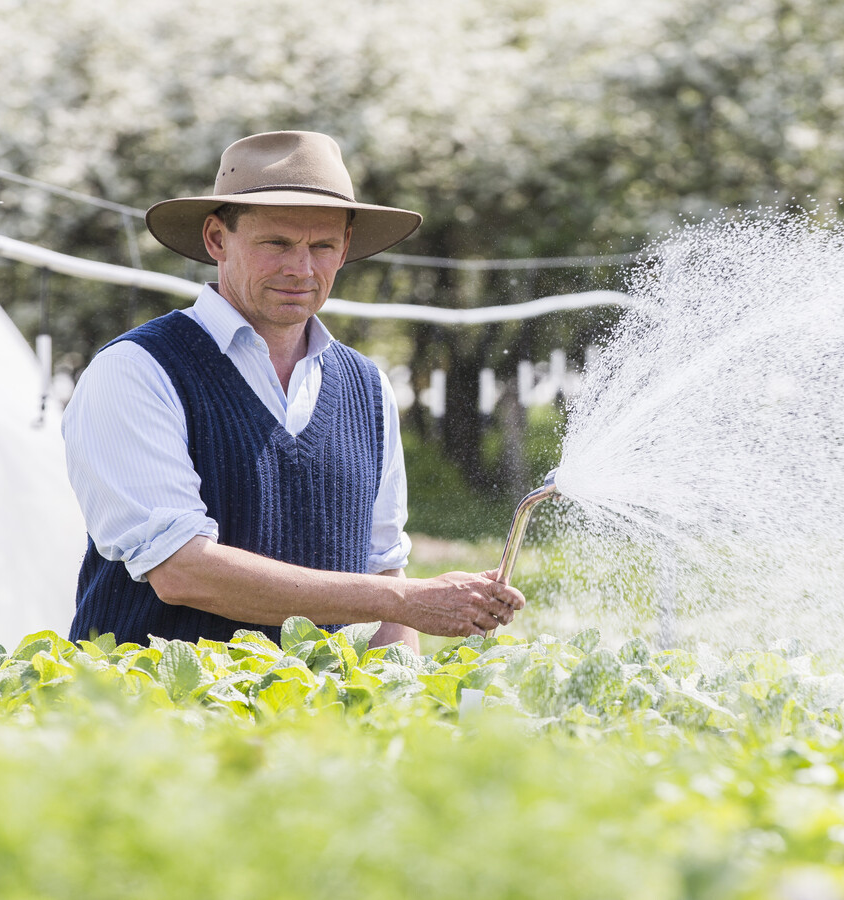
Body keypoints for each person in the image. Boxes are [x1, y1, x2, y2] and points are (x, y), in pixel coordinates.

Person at [63, 130, 523, 650]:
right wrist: (403, 602)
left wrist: (402, 704)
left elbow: (385, 577)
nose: (300, 269)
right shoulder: (137, 370)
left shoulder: (367, 388)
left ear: (345, 247)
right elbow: (182, 570)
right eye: (276, 243)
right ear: (217, 239)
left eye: (322, 246)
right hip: (149, 715)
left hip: (313, 724)